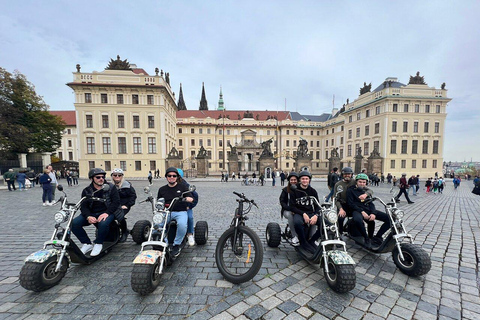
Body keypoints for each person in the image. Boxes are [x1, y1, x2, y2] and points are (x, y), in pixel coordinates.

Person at [71, 168, 121, 256]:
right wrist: (88, 216)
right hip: (92, 213)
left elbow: (116, 202)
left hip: (107, 212)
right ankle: (87, 244)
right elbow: (84, 206)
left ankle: (99, 243)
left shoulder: (111, 188)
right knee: (74, 223)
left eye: (103, 177)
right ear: (91, 179)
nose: (101, 179)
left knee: (103, 223)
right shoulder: (87, 190)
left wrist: (107, 213)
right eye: (98, 177)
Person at [346, 173, 391, 249]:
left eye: (364, 182)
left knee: (389, 219)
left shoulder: (366, 192)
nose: (362, 184)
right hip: (357, 210)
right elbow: (351, 204)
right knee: (358, 220)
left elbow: (371, 203)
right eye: (360, 182)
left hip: (368, 209)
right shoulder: (350, 190)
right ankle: (366, 237)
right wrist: (362, 212)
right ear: (356, 182)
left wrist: (373, 213)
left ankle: (377, 237)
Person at [157, 167, 194, 257]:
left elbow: (191, 198)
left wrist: (185, 198)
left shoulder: (183, 187)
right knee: (157, 224)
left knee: (182, 225)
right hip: (167, 212)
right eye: (169, 175)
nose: (172, 177)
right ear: (166, 177)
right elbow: (159, 201)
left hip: (180, 211)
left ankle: (176, 244)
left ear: (177, 177)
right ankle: (164, 242)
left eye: (174, 176)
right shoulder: (162, 189)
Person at [289, 170, 320, 254]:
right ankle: (303, 242)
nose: (305, 180)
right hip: (299, 213)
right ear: (300, 180)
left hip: (311, 213)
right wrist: (303, 214)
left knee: (324, 223)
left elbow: (317, 206)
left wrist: (316, 215)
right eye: (303, 179)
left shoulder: (313, 191)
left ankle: (312, 240)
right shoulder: (295, 191)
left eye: (306, 179)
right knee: (297, 223)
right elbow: (292, 207)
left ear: (309, 180)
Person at [111, 168, 137, 242]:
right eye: (115, 175)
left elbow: (133, 196)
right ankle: (114, 230)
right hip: (113, 206)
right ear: (112, 176)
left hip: (124, 205)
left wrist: (128, 205)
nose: (117, 176)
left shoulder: (127, 185)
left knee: (120, 216)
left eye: (119, 175)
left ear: (122, 176)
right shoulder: (109, 185)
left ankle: (124, 232)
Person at [177, 168, 199, 246]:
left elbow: (194, 197)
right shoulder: (169, 186)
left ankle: (190, 234)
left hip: (184, 208)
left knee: (189, 217)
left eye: (177, 176)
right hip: (173, 208)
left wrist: (189, 206)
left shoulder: (186, 186)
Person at [279, 172, 300, 246]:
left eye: (295, 180)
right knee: (291, 215)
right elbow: (282, 202)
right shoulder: (285, 190)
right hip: (288, 210)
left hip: (298, 210)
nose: (293, 181)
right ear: (289, 181)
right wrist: (290, 209)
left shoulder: (300, 189)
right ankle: (295, 236)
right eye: (292, 180)